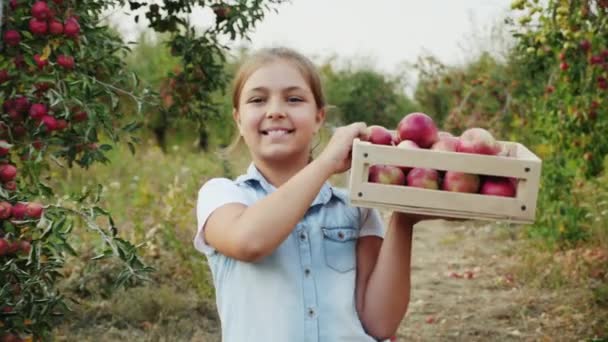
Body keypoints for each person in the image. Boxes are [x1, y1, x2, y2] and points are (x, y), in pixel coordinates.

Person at [194, 47, 425, 342]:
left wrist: (404, 217)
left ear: (318, 118)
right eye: (257, 100)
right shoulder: (222, 195)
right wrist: (327, 162)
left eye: (294, 99)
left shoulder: (355, 208)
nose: (276, 110)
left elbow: (379, 325)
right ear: (238, 119)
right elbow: (248, 241)